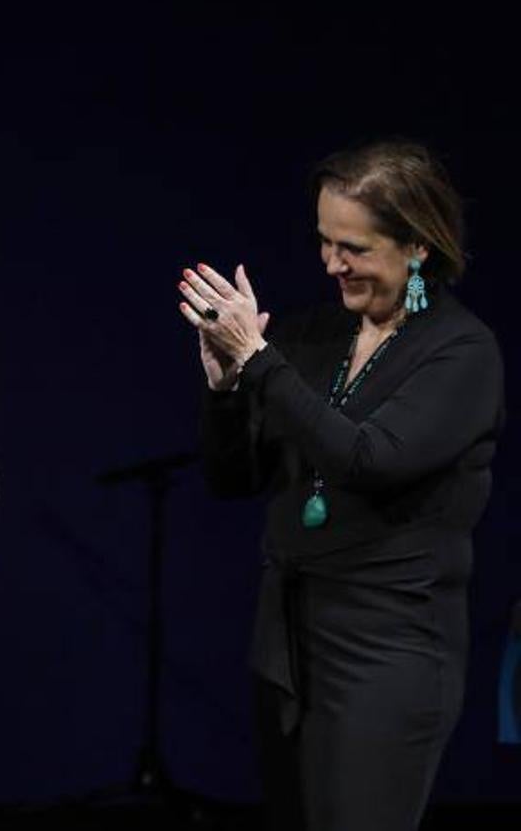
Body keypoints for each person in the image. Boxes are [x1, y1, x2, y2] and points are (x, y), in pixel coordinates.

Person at [178, 140, 504, 830]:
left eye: (352, 247)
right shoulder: (315, 336)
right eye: (324, 242)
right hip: (291, 644)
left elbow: (365, 459)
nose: (330, 263)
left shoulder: (459, 353)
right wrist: (226, 387)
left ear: (416, 247)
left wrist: (260, 362)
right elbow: (234, 479)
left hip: (387, 655)